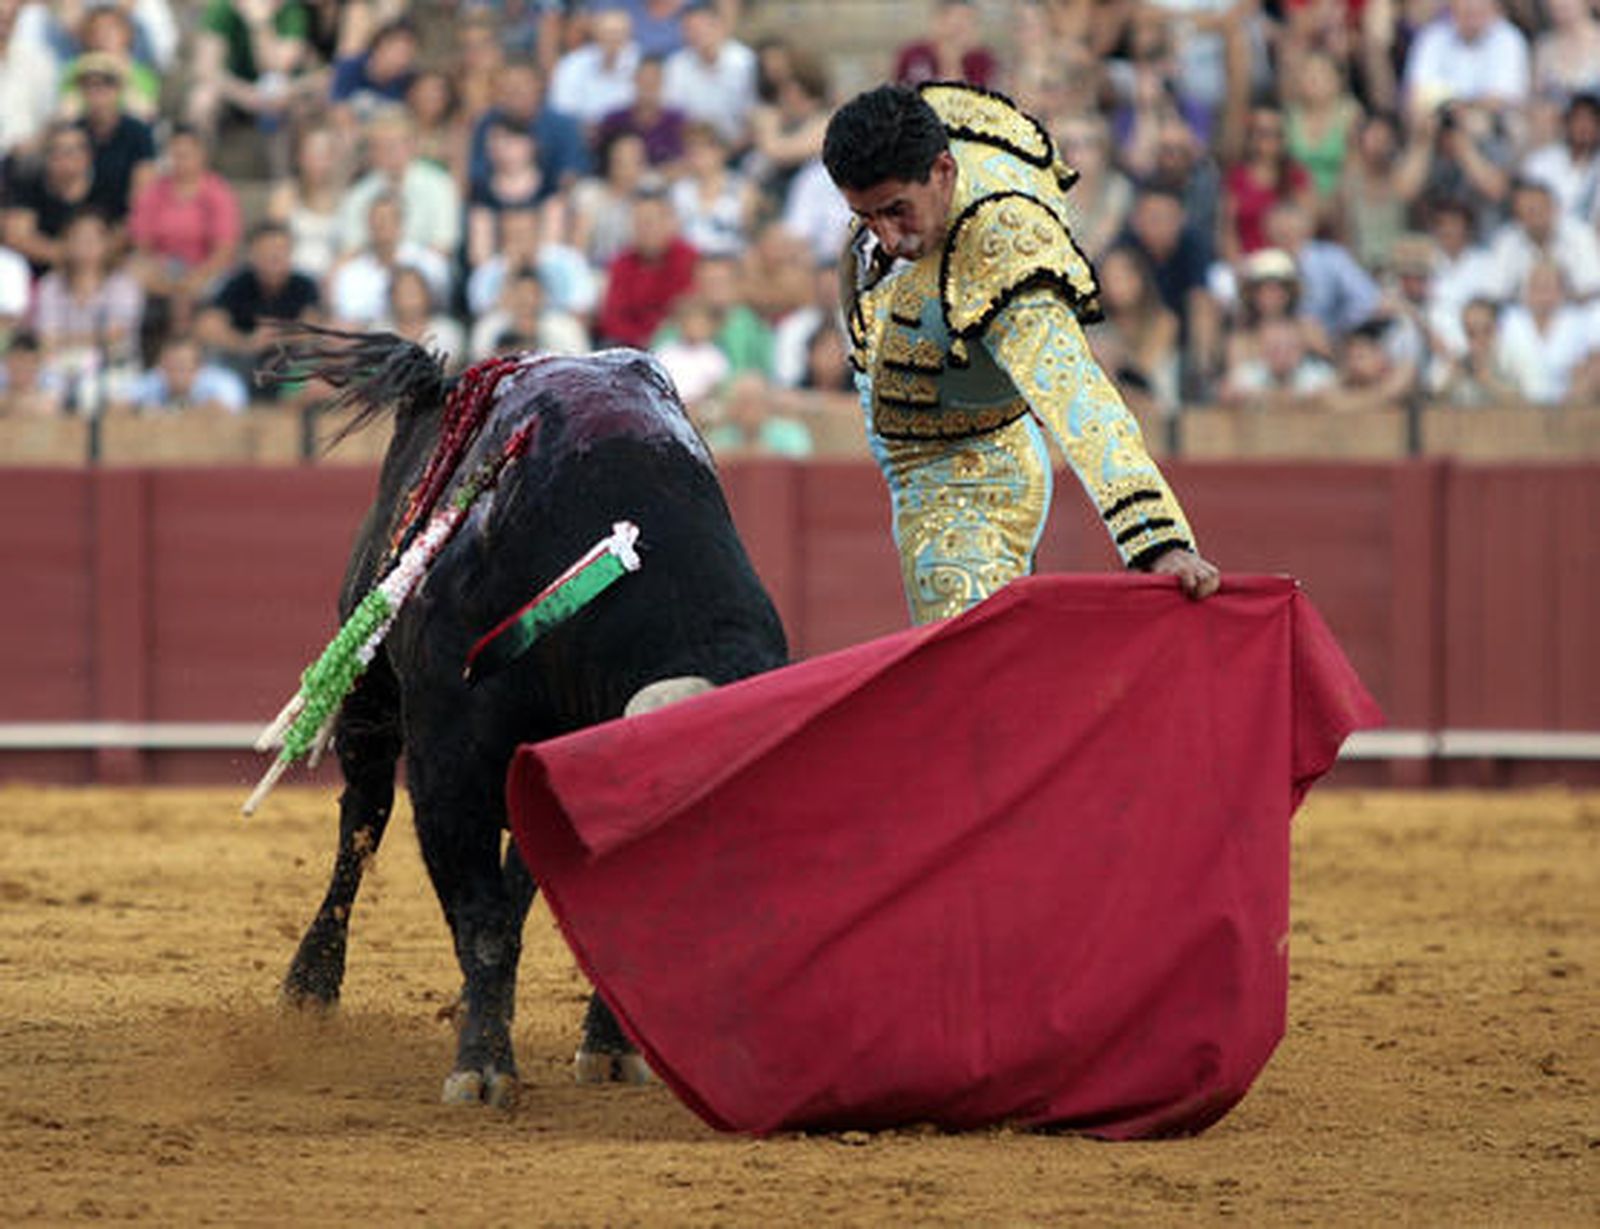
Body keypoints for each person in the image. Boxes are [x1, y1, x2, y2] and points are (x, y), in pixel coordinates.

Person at [822, 82, 1218, 625]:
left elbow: (1077, 393)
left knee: (971, 672)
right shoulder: (913, 136)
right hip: (928, 438)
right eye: (867, 218)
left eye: (897, 212)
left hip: (968, 474)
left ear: (943, 172)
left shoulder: (1003, 245)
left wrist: (1154, 539)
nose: (887, 239)